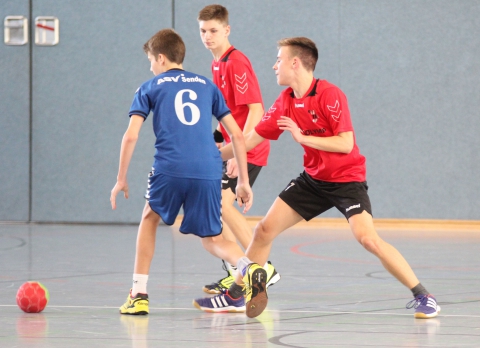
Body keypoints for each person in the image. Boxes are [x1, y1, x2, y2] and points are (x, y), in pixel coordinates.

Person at [196, 36, 441, 320]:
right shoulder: (285, 101)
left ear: (295, 63)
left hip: (346, 180)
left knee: (368, 239)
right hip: (312, 181)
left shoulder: (330, 94)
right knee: (263, 231)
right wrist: (213, 157)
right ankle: (236, 296)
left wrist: (301, 137)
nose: (274, 65)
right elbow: (250, 139)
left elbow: (346, 143)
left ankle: (424, 296)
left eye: (279, 59)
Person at [110, 28, 266, 315]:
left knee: (149, 218)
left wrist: (121, 178)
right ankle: (251, 267)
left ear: (160, 58)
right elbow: (238, 135)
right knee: (213, 238)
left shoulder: (150, 86)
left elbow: (131, 136)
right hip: (209, 167)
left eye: (150, 61)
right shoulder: (208, 85)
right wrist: (243, 181)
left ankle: (138, 294)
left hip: (170, 166)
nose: (150, 67)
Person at [196, 4, 280, 295]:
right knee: (218, 209)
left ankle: (263, 269)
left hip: (249, 145)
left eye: (214, 31)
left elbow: (256, 110)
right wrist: (218, 138)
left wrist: (237, 153)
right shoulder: (216, 63)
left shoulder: (236, 62)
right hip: (233, 144)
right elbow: (228, 111)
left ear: (227, 30)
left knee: (220, 205)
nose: (208, 36)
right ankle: (237, 272)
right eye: (203, 31)